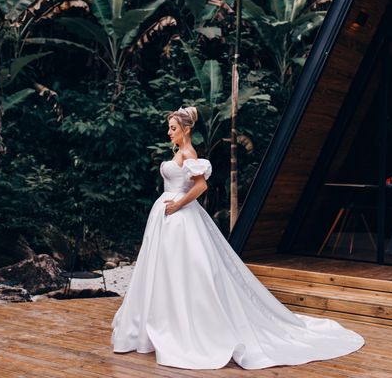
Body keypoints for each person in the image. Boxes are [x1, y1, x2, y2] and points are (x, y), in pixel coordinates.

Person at [111, 106, 364, 370]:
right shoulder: (178, 153)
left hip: (180, 216)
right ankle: (154, 323)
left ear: (186, 129)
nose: (169, 132)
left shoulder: (188, 153)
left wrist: (177, 204)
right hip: (165, 218)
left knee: (188, 268)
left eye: (173, 128)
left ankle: (188, 325)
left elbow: (200, 186)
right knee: (160, 269)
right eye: (170, 127)